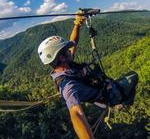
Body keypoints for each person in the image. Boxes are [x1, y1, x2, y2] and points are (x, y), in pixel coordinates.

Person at [38, 10, 138, 139]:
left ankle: (122, 100)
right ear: (61, 57)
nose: (70, 51)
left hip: (105, 88)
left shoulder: (65, 66)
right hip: (111, 95)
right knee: (133, 76)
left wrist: (78, 23)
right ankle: (124, 101)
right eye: (67, 51)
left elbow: (74, 41)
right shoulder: (68, 86)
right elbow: (76, 114)